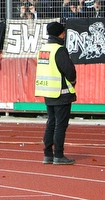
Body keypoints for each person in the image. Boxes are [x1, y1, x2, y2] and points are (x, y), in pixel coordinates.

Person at [35, 22, 76, 165]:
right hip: (61, 93)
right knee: (60, 125)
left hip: (48, 92)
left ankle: (48, 154)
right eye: (63, 32)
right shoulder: (59, 50)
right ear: (60, 34)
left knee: (51, 123)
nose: (64, 34)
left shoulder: (43, 49)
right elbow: (69, 70)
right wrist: (72, 81)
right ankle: (58, 155)